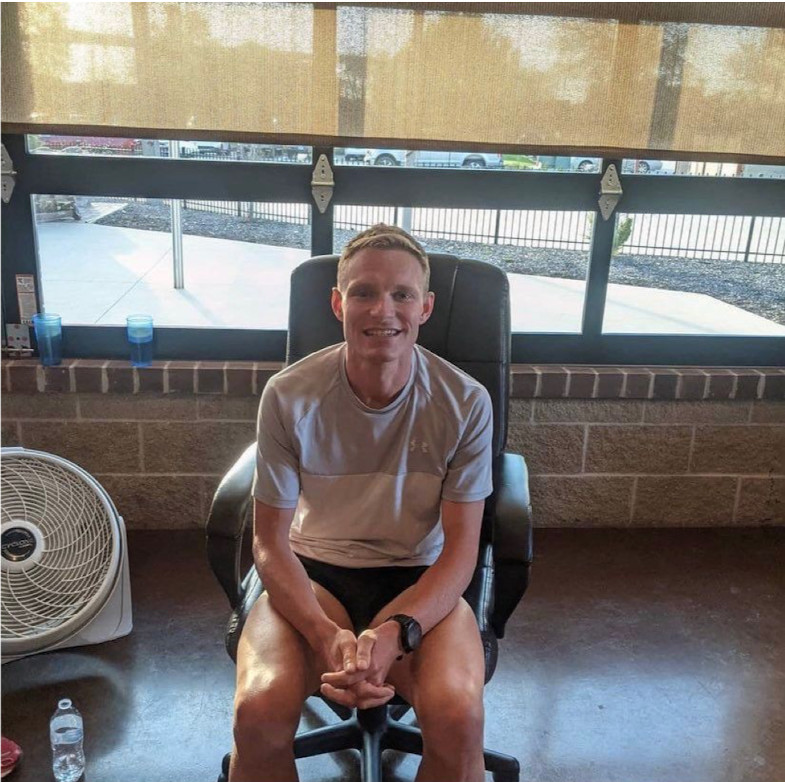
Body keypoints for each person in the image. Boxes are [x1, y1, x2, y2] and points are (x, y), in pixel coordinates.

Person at [230, 224, 493, 782]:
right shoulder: (288, 396)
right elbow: (269, 542)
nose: (383, 310)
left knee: (459, 718)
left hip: (420, 578)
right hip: (313, 575)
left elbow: (461, 552)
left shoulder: (466, 402)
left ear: (425, 307)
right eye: (364, 292)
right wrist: (324, 635)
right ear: (338, 303)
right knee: (258, 713)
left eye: (402, 295)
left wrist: (397, 632)